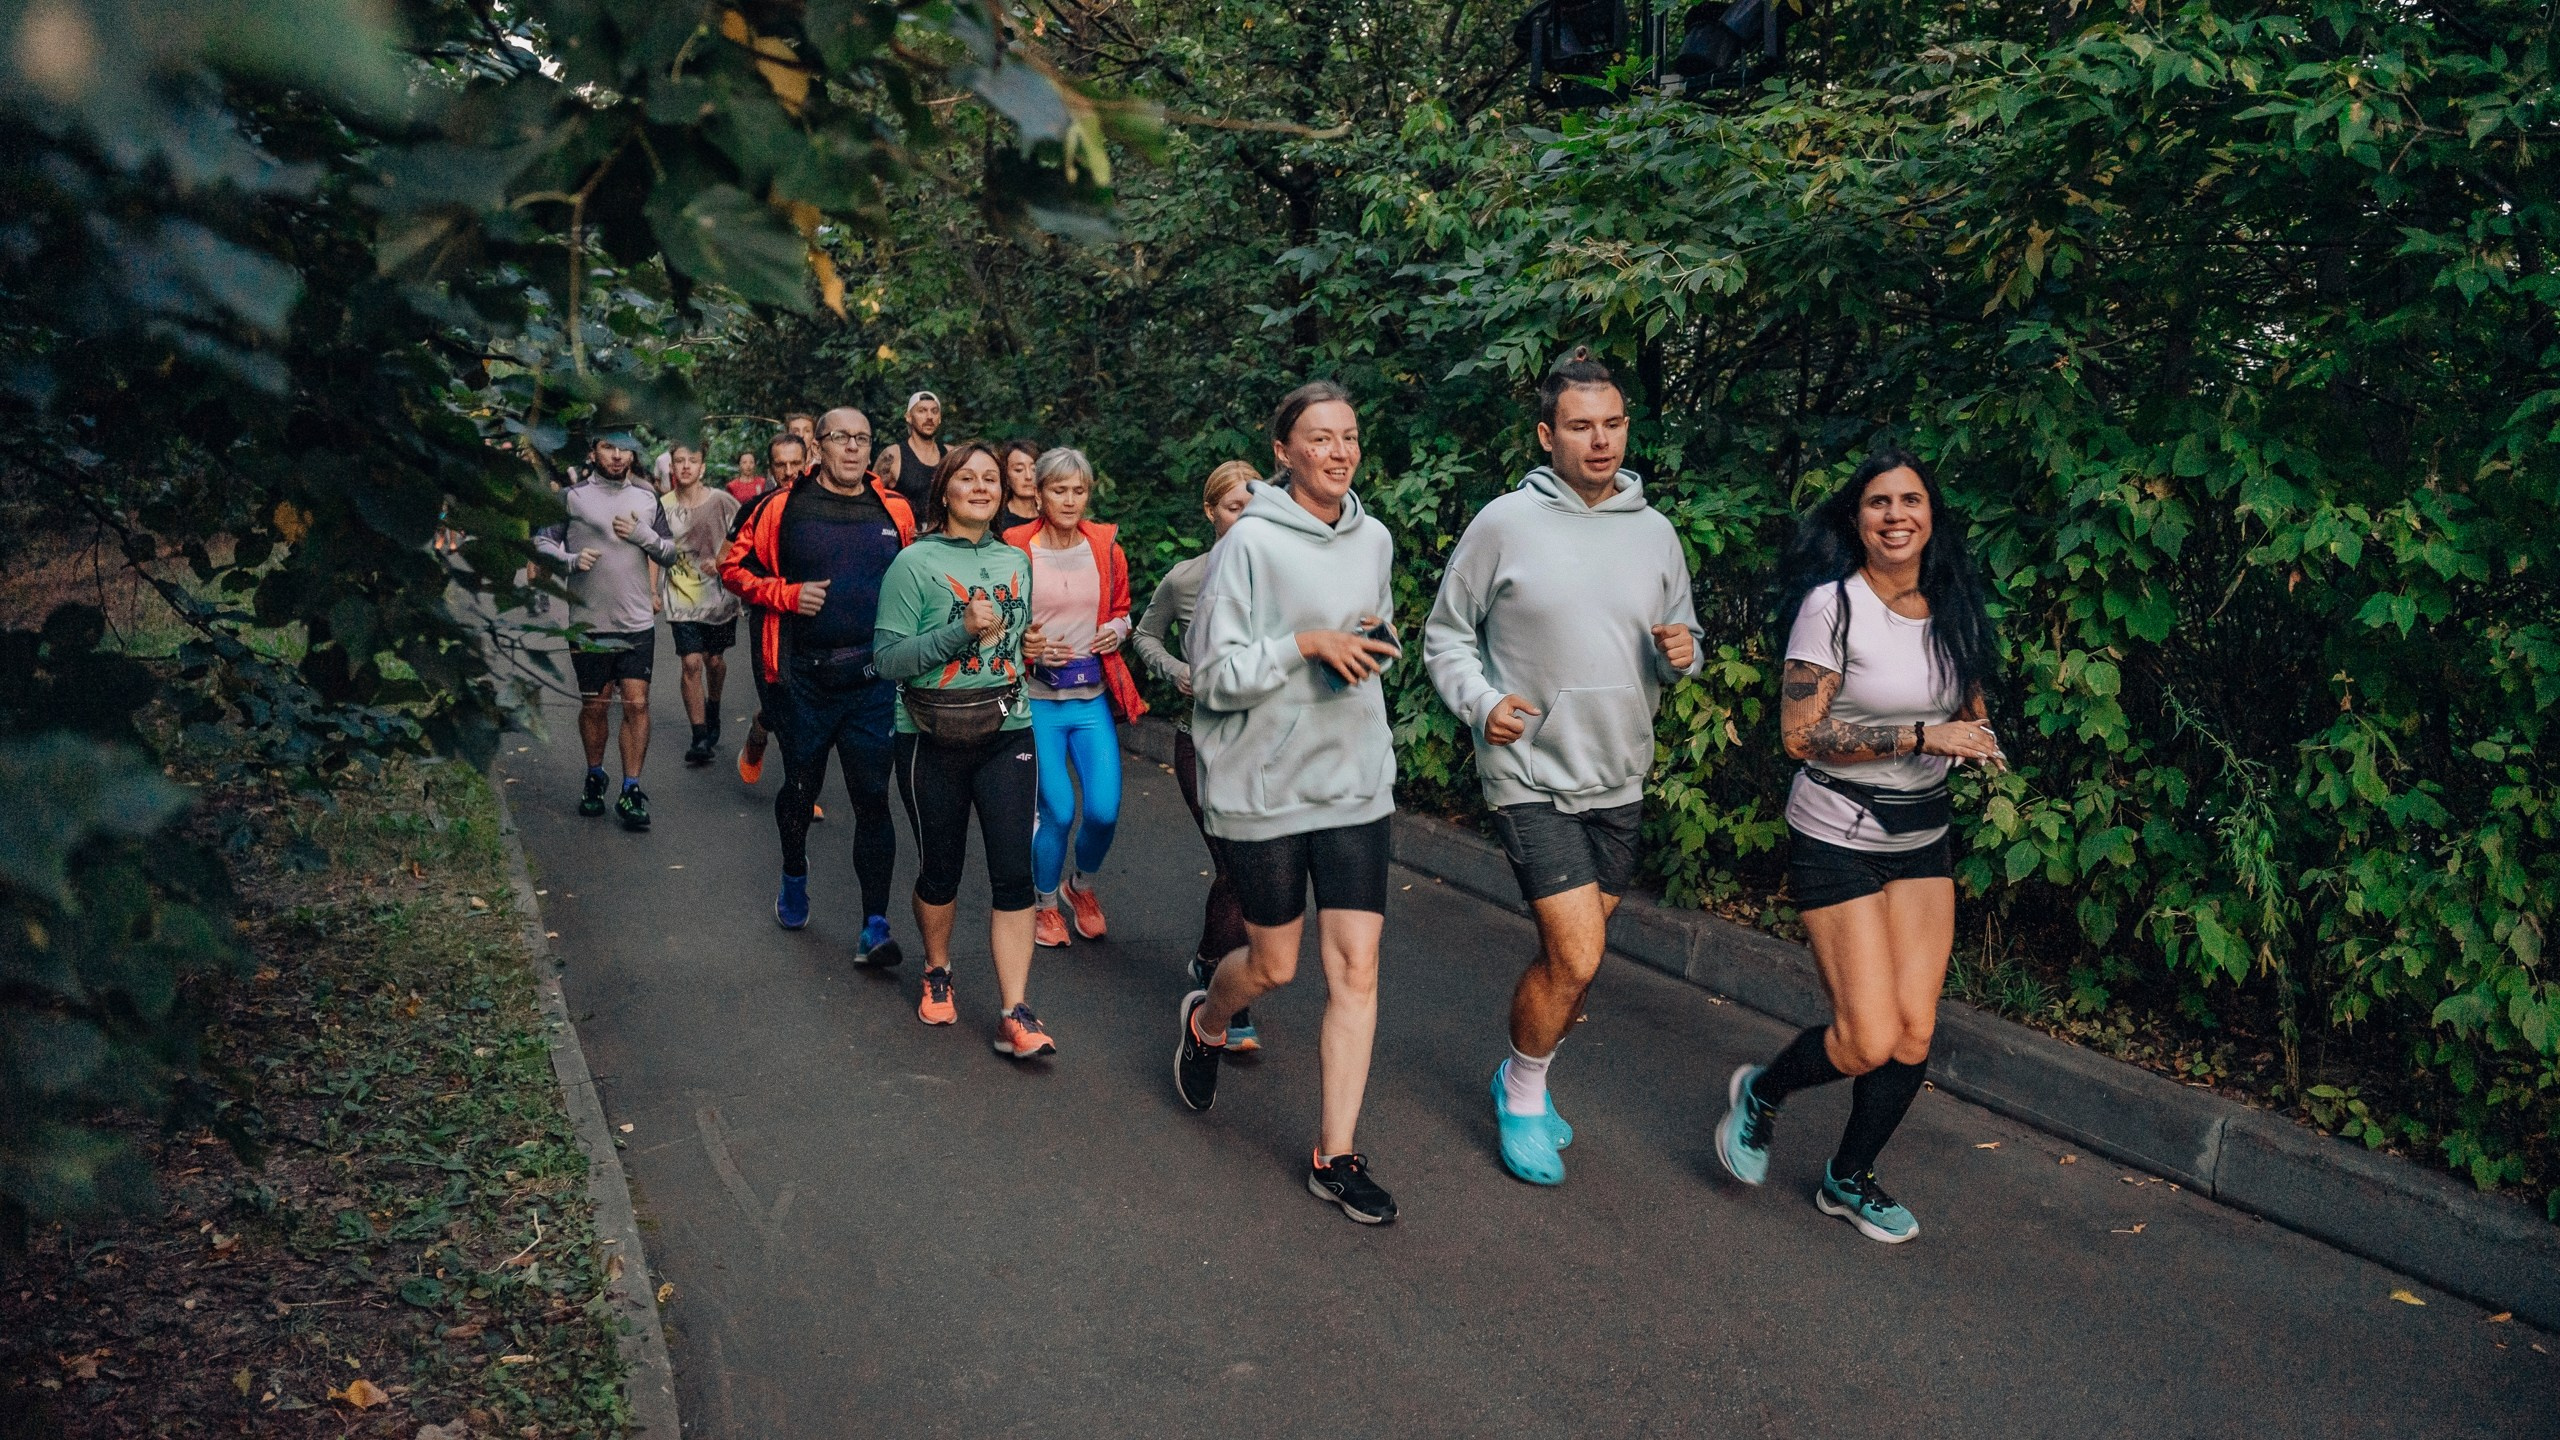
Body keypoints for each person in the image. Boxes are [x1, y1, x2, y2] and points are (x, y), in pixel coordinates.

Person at [1422, 348, 1704, 1187]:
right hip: (1528, 769)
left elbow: (1676, 639)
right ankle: (1522, 1091)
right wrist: (1480, 703)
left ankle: (1526, 1074)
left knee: (1575, 962)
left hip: (1619, 771)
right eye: (1581, 426)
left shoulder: (1655, 531)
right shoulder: (1504, 523)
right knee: (1577, 957)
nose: (1601, 439)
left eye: (1613, 423)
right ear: (1549, 435)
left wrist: (1686, 654)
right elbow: (1445, 633)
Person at [1711, 449, 2004, 1244]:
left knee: (1913, 1031)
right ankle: (1763, 1092)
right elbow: (1801, 734)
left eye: (1911, 500)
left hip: (1922, 834)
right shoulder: (1832, 607)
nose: (1897, 514)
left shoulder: (1953, 604)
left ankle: (1849, 1176)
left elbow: (1963, 695)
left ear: (1931, 515)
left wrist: (1975, 733)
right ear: (1857, 519)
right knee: (1866, 1035)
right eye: (1879, 502)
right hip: (1836, 833)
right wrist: (1922, 733)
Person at [1173, 382, 1404, 1225]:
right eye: (1319, 438)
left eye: (1349, 436)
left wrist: (1374, 642)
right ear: (1284, 451)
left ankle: (1335, 1156)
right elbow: (1218, 674)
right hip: (1267, 788)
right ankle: (1209, 1018)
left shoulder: (1373, 535)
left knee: (1357, 969)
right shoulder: (1249, 544)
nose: (1339, 452)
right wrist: (1305, 644)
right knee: (1274, 965)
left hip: (1352, 779)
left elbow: (1369, 624)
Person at [718, 407, 916, 964]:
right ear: (818, 447)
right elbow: (730, 568)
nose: (852, 448)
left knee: (873, 800)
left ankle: (875, 925)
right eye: (840, 438)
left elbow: (917, 580)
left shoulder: (894, 510)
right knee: (801, 789)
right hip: (801, 677)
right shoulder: (780, 507)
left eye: (862, 439)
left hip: (872, 681)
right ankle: (795, 872)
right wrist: (786, 594)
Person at [876, 442, 1055, 1054]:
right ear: (944, 491)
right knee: (940, 869)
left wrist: (1028, 649)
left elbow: (1007, 651)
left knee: (1015, 874)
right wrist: (961, 629)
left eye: (991, 479)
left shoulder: (1016, 560)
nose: (981, 487)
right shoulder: (913, 564)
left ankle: (1016, 1010)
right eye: (967, 478)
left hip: (1008, 725)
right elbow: (888, 660)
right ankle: (938, 968)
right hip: (931, 733)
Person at [1132, 459, 1260, 1048]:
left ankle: (1213, 960)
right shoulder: (1186, 578)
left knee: (1252, 869)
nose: (1246, 518)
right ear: (1211, 513)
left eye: (1256, 505)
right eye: (1235, 507)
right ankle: (1223, 995)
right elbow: (1144, 634)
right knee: (1235, 864)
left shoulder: (1283, 573)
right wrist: (1176, 670)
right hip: (1201, 740)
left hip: (1266, 744)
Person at [1004, 448, 1147, 948]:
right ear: (1038, 493)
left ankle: (1079, 886)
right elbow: (997, 622)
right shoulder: (1014, 548)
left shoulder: (1106, 548)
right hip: (1037, 699)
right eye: (1058, 490)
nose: (1069, 500)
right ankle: (1044, 904)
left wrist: (1116, 628)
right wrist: (1026, 644)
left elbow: (1124, 610)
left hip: (1089, 699)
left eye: (1078, 490)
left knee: (1104, 810)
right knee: (1059, 811)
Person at [534, 430, 678, 831]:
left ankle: (632, 788)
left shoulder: (647, 497)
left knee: (637, 704)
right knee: (595, 706)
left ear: (633, 454)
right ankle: (595, 775)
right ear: (593, 451)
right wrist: (570, 559)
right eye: (608, 448)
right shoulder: (572, 497)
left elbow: (670, 552)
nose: (617, 457)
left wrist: (642, 536)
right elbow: (541, 542)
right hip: (589, 623)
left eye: (624, 449)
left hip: (636, 622)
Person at [732, 430, 814, 786]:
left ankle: (802, 788)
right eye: (781, 465)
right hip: (771, 620)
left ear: (809, 461)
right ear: (769, 468)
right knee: (780, 704)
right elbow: (730, 567)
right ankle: (761, 728)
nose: (790, 471)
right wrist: (781, 593)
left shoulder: (825, 503)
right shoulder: (756, 507)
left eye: (796, 463)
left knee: (810, 706)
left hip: (818, 619)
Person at [659, 442, 743, 767]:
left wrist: (722, 561)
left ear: (702, 467)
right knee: (691, 662)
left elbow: (744, 534)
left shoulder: (722, 501)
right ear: (672, 467)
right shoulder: (663, 506)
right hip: (681, 595)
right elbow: (653, 546)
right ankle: (698, 737)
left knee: (714, 662)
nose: (685, 466)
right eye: (679, 460)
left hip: (719, 597)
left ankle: (714, 706)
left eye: (692, 460)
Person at [880, 391, 943, 513]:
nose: (929, 417)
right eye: (922, 411)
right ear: (909, 417)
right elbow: (873, 498)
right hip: (905, 529)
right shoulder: (893, 456)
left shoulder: (951, 455)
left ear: (939, 418)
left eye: (934, 411)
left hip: (941, 531)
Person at [997, 439, 1044, 526]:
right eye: (1019, 470)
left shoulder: (1051, 518)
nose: (1028, 477)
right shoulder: (996, 520)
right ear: (1006, 476)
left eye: (1034, 469)